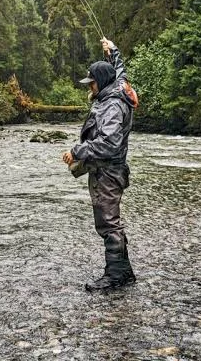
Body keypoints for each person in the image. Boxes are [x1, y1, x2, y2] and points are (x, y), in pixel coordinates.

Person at [62, 37, 136, 291]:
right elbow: (120, 71)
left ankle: (115, 276)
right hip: (108, 170)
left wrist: (77, 150)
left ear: (101, 82)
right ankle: (124, 272)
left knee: (108, 222)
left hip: (108, 172)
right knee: (109, 221)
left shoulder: (113, 104)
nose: (89, 87)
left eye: (91, 82)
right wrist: (112, 50)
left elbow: (110, 143)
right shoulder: (118, 87)